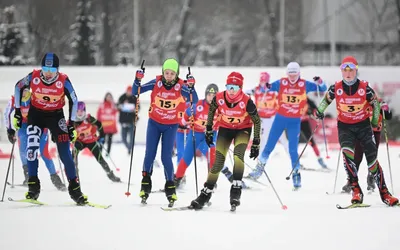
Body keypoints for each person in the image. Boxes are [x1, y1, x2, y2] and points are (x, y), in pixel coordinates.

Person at [315, 56, 398, 206]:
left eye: (351, 70)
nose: (348, 73)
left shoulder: (365, 88)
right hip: (345, 127)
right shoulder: (336, 87)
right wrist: (319, 111)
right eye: (345, 70)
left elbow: (376, 104)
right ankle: (356, 191)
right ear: (341, 71)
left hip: (363, 127)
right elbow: (326, 99)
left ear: (356, 70)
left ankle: (385, 194)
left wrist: (373, 122)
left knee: (372, 162)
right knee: (348, 156)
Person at [13, 52, 87, 204]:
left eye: (52, 71)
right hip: (36, 116)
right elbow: (18, 87)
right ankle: (33, 188)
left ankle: (75, 190)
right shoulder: (33, 77)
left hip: (56, 116)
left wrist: (71, 125)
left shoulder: (63, 80)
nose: (47, 74)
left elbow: (74, 99)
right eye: (45, 70)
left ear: (57, 70)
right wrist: (18, 112)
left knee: (65, 153)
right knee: (32, 149)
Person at [247, 62, 327, 190]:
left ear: (299, 73)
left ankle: (296, 174)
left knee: (292, 150)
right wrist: (264, 86)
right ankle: (259, 169)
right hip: (280, 119)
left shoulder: (304, 84)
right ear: (287, 73)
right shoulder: (282, 82)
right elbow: (268, 87)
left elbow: (323, 89)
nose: (292, 77)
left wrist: (320, 82)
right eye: (290, 73)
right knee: (269, 145)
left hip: (294, 121)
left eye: (294, 74)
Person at [190, 72, 261, 210]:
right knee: (218, 162)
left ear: (240, 87)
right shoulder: (219, 97)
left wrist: (256, 142)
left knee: (238, 156)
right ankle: (205, 194)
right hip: (226, 129)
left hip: (243, 130)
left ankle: (236, 189)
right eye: (229, 86)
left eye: (235, 87)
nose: (232, 90)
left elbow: (257, 121)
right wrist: (209, 129)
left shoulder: (247, 101)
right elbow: (211, 111)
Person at [132, 58, 198, 206]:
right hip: (154, 123)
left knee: (166, 157)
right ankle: (145, 185)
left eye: (172, 73)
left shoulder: (182, 86)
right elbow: (135, 91)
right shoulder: (157, 83)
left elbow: (195, 99)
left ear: (177, 74)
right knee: (149, 154)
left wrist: (192, 87)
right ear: (163, 72)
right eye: (166, 73)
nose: (168, 76)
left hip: (171, 126)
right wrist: (137, 79)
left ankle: (170, 189)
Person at [5, 90, 66, 191]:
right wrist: (9, 130)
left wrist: (53, 129)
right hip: (24, 126)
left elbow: (50, 111)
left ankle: (55, 179)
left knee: (44, 153)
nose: (23, 93)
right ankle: (28, 175)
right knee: (24, 151)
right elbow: (6, 114)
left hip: (39, 125)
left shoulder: (36, 97)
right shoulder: (14, 99)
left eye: (25, 90)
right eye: (20, 91)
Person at [341, 98, 393, 193]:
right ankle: (351, 182)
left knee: (372, 158)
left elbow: (388, 116)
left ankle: (371, 179)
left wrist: (386, 109)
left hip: (374, 132)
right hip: (361, 133)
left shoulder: (379, 101)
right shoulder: (359, 101)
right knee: (356, 157)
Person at [73, 101, 121, 182]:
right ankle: (74, 178)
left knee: (100, 159)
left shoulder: (88, 118)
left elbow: (99, 124)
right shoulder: (72, 121)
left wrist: (101, 136)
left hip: (91, 141)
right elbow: (67, 132)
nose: (79, 113)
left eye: (81, 111)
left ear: (84, 110)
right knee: (73, 158)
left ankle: (111, 175)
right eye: (77, 111)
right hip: (80, 143)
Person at [245, 72, 289, 155]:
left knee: (283, 138)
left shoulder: (273, 90)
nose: (263, 83)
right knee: (263, 140)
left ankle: (294, 159)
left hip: (273, 118)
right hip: (263, 120)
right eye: (262, 81)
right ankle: (260, 162)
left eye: (265, 81)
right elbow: (245, 92)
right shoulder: (256, 90)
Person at [300, 97, 328, 169]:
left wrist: (315, 112)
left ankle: (320, 159)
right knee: (293, 142)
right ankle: (296, 162)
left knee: (311, 141)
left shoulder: (306, 99)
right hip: (294, 122)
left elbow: (315, 109)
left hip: (304, 122)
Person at [117, 86, 137, 154]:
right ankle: (128, 147)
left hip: (131, 121)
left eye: (130, 92)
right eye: (128, 91)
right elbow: (118, 106)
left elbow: (138, 108)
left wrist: (135, 109)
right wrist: (121, 106)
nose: (129, 93)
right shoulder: (122, 97)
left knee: (131, 138)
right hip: (123, 121)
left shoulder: (134, 98)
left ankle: (130, 148)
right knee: (123, 138)